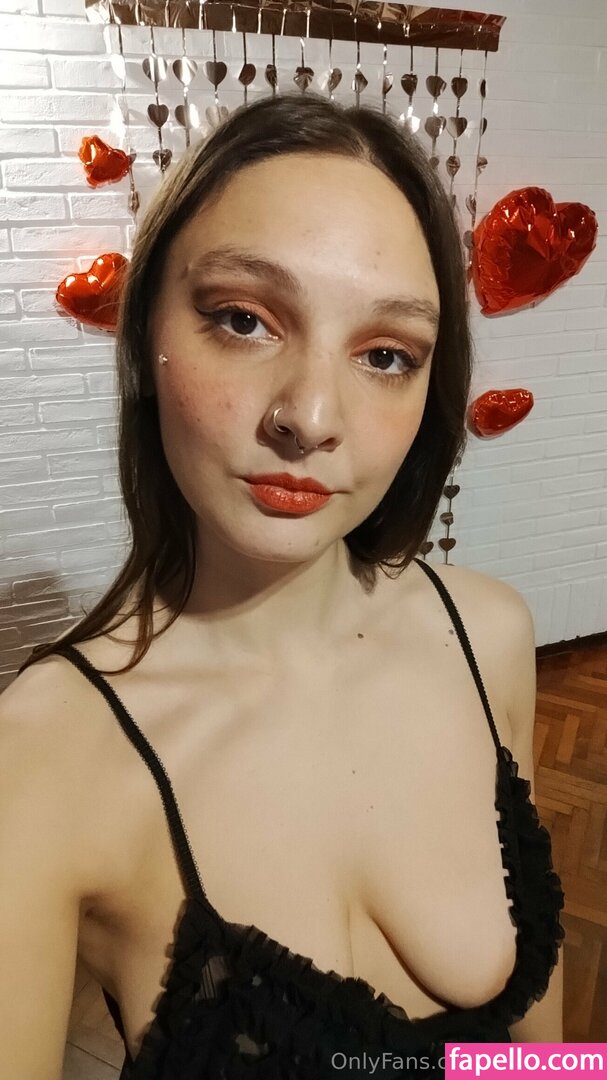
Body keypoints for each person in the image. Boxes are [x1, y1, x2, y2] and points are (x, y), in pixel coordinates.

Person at [1, 91, 564, 1080]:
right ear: (146, 337)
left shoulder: (487, 635)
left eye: (385, 355)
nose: (309, 415)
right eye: (244, 320)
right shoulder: (44, 761)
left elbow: (540, 1057)